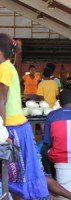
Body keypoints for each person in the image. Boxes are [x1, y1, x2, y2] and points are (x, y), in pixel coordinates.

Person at [0, 33, 49, 199]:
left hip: (12, 127)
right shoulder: (7, 66)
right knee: (18, 172)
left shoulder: (4, 68)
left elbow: (1, 100)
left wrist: (2, 130)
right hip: (15, 125)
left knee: (16, 173)